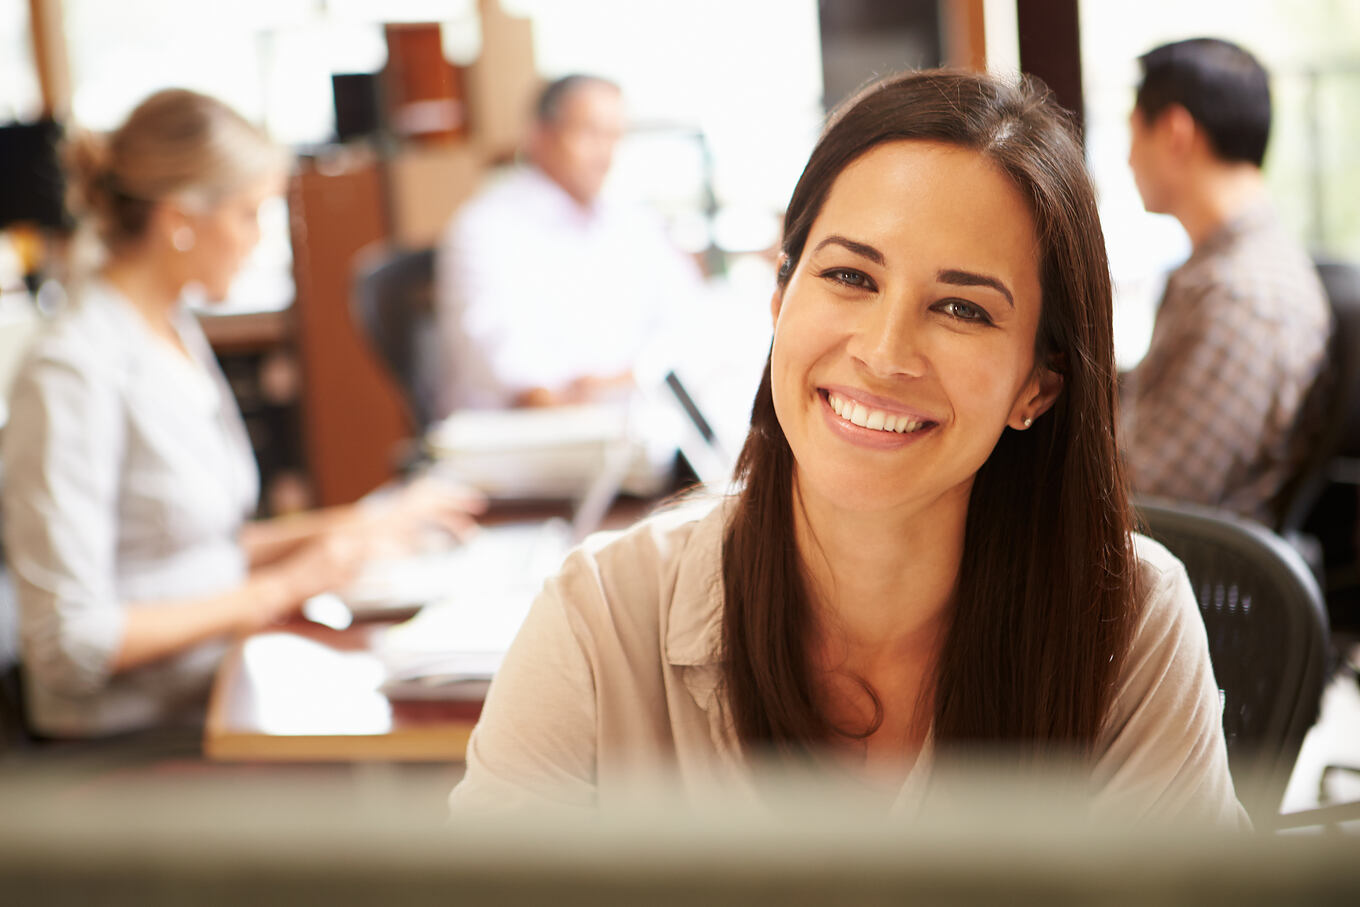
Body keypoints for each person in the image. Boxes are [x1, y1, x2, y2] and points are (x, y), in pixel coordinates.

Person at [448, 70, 1248, 827]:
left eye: (963, 309)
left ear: (1037, 386)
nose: (885, 352)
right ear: (779, 297)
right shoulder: (601, 619)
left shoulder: (1127, 621)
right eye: (851, 278)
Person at [1, 89, 482, 739]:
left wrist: (365, 523)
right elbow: (71, 645)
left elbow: (197, 551)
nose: (260, 241)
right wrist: (289, 583)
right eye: (251, 214)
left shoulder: (166, 328)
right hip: (138, 738)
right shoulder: (72, 371)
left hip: (216, 685)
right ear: (181, 219)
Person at [1121, 38, 1331, 524]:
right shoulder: (1219, 272)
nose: (1129, 159)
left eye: (1134, 134)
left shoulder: (1240, 298)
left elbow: (1148, 496)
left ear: (1175, 132)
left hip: (1187, 580)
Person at [435, 74, 701, 412]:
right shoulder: (485, 228)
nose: (605, 153)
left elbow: (687, 319)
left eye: (614, 136)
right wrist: (577, 391)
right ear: (540, 135)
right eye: (590, 133)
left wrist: (634, 376)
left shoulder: (632, 221)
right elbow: (511, 369)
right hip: (524, 440)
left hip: (620, 421)